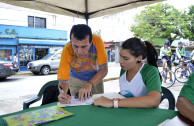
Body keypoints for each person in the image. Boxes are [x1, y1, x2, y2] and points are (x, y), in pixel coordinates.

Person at [93, 37, 161, 108]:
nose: (121, 61)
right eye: (120, 56)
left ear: (139, 58)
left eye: (126, 58)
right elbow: (127, 92)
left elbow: (154, 100)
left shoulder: (150, 71)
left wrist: (113, 102)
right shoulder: (124, 70)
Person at [58, 24, 108, 103]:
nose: (80, 52)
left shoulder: (98, 41)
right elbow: (63, 80)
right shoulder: (66, 50)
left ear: (91, 42)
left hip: (95, 78)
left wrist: (89, 84)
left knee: (99, 105)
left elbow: (104, 70)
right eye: (75, 46)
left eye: (84, 47)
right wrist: (62, 94)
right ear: (71, 41)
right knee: (79, 106)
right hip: (76, 79)